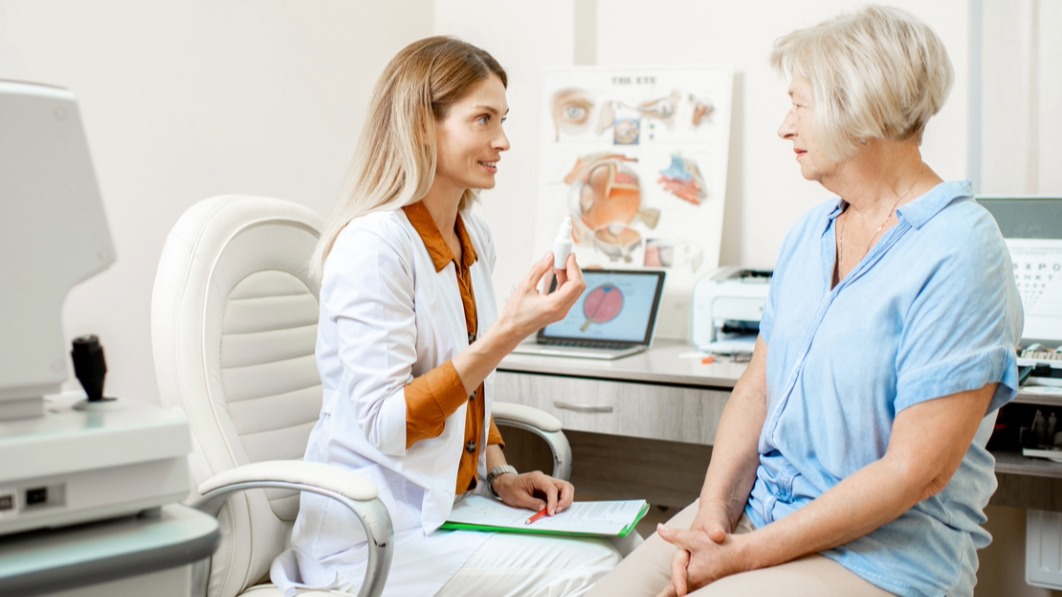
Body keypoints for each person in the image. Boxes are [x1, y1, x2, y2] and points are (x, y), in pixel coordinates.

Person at [589, 6, 1023, 597]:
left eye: (799, 104)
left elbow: (917, 471)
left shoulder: (961, 251)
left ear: (860, 106)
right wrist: (715, 518)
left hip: (881, 556)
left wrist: (743, 557)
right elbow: (758, 388)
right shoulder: (812, 232)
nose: (784, 126)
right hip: (759, 515)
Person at [270, 36, 622, 596]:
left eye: (502, 120)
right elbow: (387, 423)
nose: (502, 141)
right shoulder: (374, 246)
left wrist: (500, 471)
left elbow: (466, 386)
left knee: (625, 547)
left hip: (451, 509)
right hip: (374, 536)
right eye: (483, 120)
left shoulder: (471, 235)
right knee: (600, 570)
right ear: (421, 127)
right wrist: (510, 332)